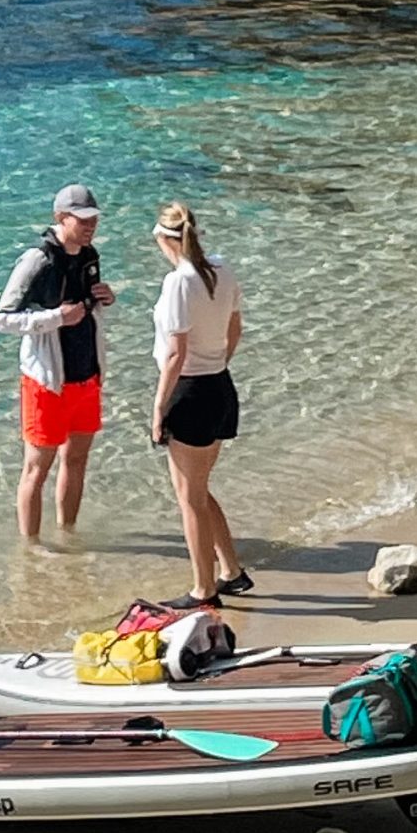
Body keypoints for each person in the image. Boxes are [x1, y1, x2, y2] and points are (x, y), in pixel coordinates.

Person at [0, 183, 116, 540]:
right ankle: (31, 548)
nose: (90, 225)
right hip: (46, 381)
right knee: (36, 469)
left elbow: (89, 310)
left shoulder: (90, 255)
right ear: (61, 218)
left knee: (76, 461)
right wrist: (55, 318)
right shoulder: (38, 260)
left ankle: (68, 535)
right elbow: (2, 318)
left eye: (93, 218)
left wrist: (108, 299)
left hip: (86, 375)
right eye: (82, 219)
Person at [148, 200, 249, 603]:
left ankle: (203, 589)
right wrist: (217, 364)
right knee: (199, 488)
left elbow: (175, 352)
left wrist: (159, 408)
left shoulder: (179, 282)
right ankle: (231, 570)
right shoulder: (221, 269)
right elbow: (235, 327)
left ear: (163, 239)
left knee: (189, 498)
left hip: (189, 391)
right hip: (219, 385)